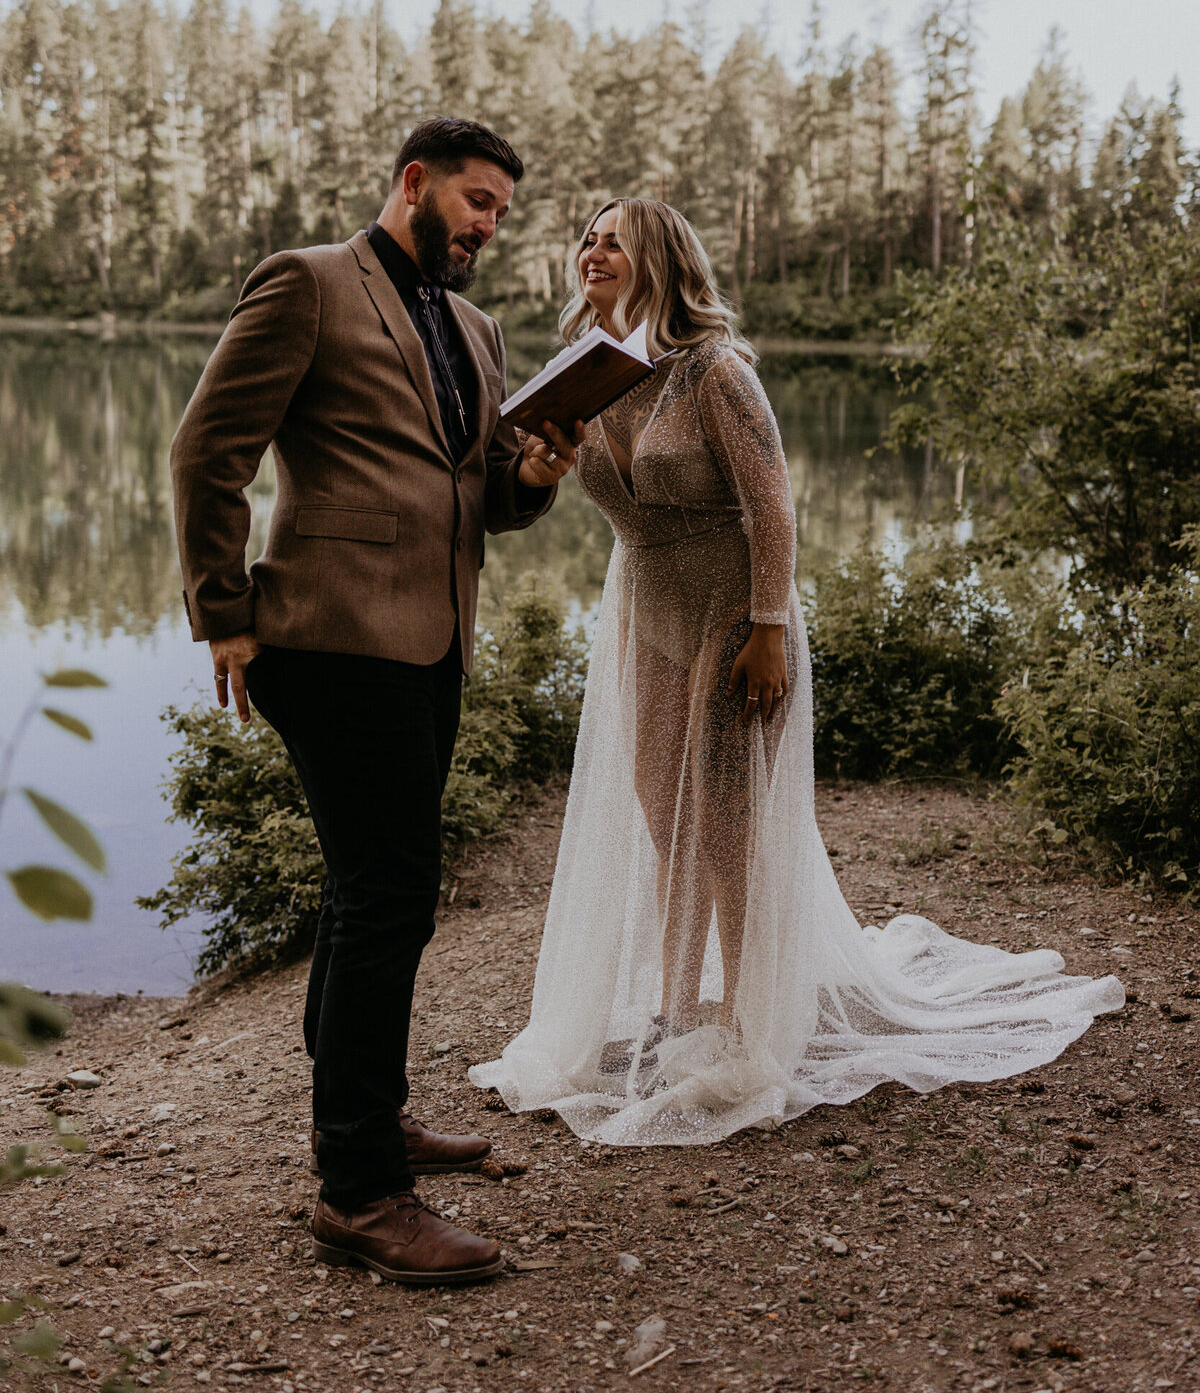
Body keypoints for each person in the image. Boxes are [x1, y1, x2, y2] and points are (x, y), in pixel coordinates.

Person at [471, 197, 1123, 1147]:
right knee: (665, 811)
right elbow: (583, 489)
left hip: (734, 610)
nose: (590, 251)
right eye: (585, 238)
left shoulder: (715, 370)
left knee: (728, 819)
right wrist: (541, 461)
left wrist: (769, 626)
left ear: (659, 258)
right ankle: (676, 997)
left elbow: (773, 509)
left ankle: (745, 1020)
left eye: (613, 239)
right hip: (646, 611)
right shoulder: (590, 371)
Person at [170, 116, 581, 1283]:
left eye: (502, 209)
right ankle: (356, 1189)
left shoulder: (479, 327)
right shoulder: (307, 286)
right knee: (389, 894)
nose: (490, 225)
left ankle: (370, 1113)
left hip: (434, 642)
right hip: (328, 636)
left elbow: (481, 493)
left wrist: (536, 477)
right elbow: (207, 452)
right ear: (414, 184)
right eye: (477, 200)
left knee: (374, 896)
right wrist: (225, 610)